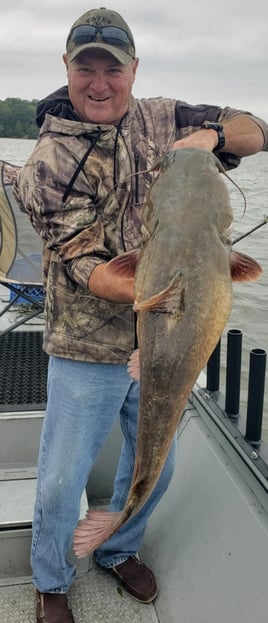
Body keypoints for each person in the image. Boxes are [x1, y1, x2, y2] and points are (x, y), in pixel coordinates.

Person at [14, 7, 268, 623]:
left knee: (158, 459)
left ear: (134, 71)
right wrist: (156, 293)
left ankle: (119, 545)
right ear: (67, 71)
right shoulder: (46, 162)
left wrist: (209, 139)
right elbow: (87, 267)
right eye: (86, 68)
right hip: (87, 346)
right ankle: (51, 580)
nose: (99, 82)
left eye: (113, 69)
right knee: (58, 480)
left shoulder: (165, 117)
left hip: (169, 343)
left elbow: (255, 131)